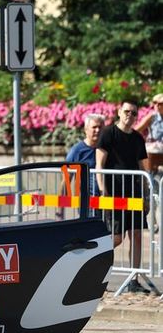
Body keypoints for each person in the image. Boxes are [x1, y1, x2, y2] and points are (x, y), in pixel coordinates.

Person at [96, 99, 151, 292]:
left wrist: (146, 196)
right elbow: (99, 165)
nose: (130, 115)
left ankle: (133, 280)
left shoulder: (137, 139)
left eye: (134, 113)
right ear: (119, 111)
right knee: (116, 238)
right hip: (115, 194)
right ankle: (94, 269)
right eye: (127, 111)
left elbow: (143, 168)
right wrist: (104, 191)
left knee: (136, 235)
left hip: (134, 194)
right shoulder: (108, 134)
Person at [67, 113, 106, 198]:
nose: (98, 130)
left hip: (107, 202)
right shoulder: (77, 151)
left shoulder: (107, 149)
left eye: (100, 127)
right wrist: (60, 208)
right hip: (86, 203)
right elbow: (66, 179)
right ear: (86, 129)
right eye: (94, 127)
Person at [134, 93, 163, 175]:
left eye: (160, 103)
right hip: (153, 147)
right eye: (155, 102)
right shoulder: (152, 116)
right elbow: (137, 129)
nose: (157, 105)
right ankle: (149, 180)